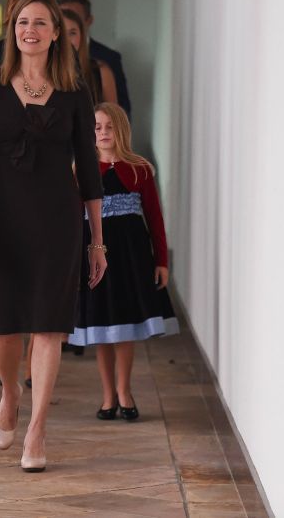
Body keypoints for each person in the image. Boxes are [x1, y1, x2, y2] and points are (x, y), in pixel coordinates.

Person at [0, 0, 106, 473]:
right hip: (3, 220)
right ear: (13, 31)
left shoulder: (75, 92)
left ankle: (38, 427)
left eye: (41, 23)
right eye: (23, 22)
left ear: (56, 34)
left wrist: (97, 240)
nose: (31, 30)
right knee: (5, 325)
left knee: (49, 324)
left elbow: (89, 171)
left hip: (58, 221)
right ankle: (10, 392)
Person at [68, 103, 177, 422]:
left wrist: (161, 260)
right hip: (94, 255)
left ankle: (124, 390)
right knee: (101, 325)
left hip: (131, 258)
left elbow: (155, 219)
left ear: (121, 130)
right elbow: (71, 220)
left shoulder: (140, 169)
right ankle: (107, 395)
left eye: (109, 127)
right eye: (97, 127)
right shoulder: (80, 170)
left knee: (125, 326)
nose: (103, 132)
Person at [57, 0, 132, 116]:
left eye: (72, 33)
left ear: (87, 22)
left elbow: (118, 114)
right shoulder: (39, 69)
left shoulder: (103, 66)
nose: (66, 40)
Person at [62, 7, 117, 105]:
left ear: (82, 36)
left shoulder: (101, 71)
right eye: (61, 33)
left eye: (72, 33)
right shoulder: (38, 72)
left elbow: (112, 113)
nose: (67, 40)